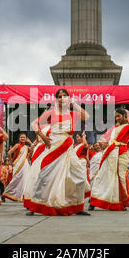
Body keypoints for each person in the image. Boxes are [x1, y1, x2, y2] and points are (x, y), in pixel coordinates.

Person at [27, 88, 91, 216]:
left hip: (67, 146)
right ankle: (35, 206)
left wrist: (74, 104)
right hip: (53, 145)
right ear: (56, 99)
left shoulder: (73, 114)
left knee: (79, 175)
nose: (62, 99)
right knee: (46, 175)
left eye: (65, 96)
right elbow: (34, 123)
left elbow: (87, 116)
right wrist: (43, 137)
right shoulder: (51, 112)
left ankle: (77, 206)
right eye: (60, 97)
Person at [89, 108, 129, 211]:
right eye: (115, 116)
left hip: (122, 153)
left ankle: (118, 201)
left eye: (118, 116)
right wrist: (98, 145)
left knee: (120, 177)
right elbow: (107, 141)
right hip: (111, 152)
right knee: (103, 175)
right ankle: (95, 200)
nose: (116, 118)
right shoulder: (115, 128)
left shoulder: (128, 127)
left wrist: (127, 119)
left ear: (124, 116)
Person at [22, 125, 50, 209]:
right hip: (39, 150)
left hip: (48, 148)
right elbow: (37, 140)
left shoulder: (56, 126)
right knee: (34, 174)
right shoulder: (41, 126)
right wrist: (32, 147)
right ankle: (31, 199)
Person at [2, 133, 31, 202]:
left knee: (24, 180)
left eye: (24, 137)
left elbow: (33, 149)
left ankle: (21, 196)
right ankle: (7, 193)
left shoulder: (26, 147)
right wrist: (11, 162)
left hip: (25, 165)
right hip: (17, 164)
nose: (23, 139)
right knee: (16, 179)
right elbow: (9, 153)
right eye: (21, 137)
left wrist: (29, 142)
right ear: (19, 138)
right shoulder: (17, 145)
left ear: (26, 138)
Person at [74, 131, 91, 198]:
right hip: (76, 163)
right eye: (76, 137)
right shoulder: (76, 146)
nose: (77, 139)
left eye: (78, 137)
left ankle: (90, 193)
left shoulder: (84, 145)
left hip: (81, 162)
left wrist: (84, 136)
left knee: (82, 178)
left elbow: (86, 146)